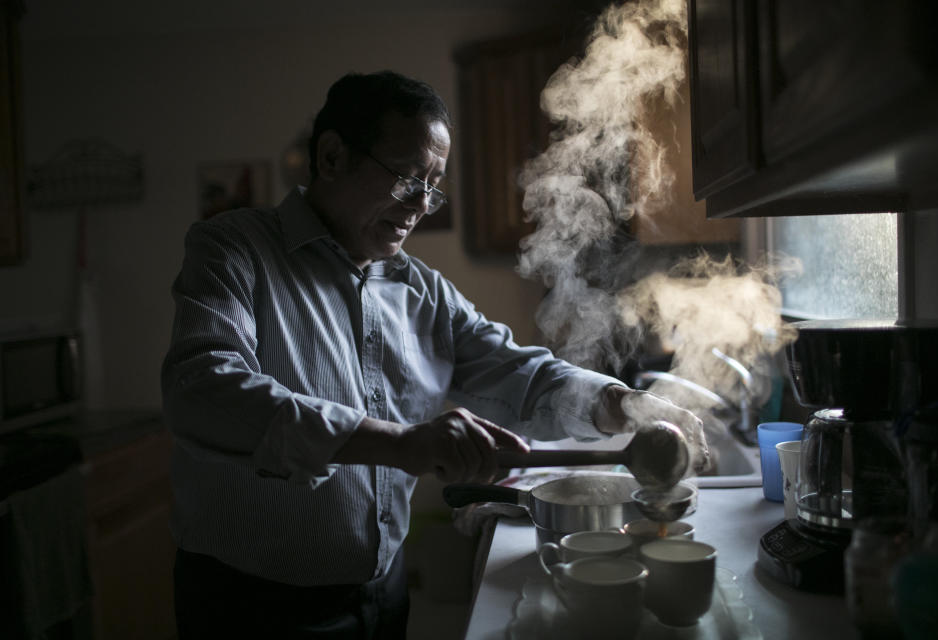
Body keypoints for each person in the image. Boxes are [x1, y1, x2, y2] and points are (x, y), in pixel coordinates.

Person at [161, 70, 706, 639]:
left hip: (384, 592)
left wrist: (621, 402)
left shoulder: (423, 291)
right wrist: (401, 442)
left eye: (433, 185)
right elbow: (201, 390)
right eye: (405, 179)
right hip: (251, 608)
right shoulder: (235, 249)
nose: (421, 205)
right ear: (331, 156)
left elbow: (518, 372)